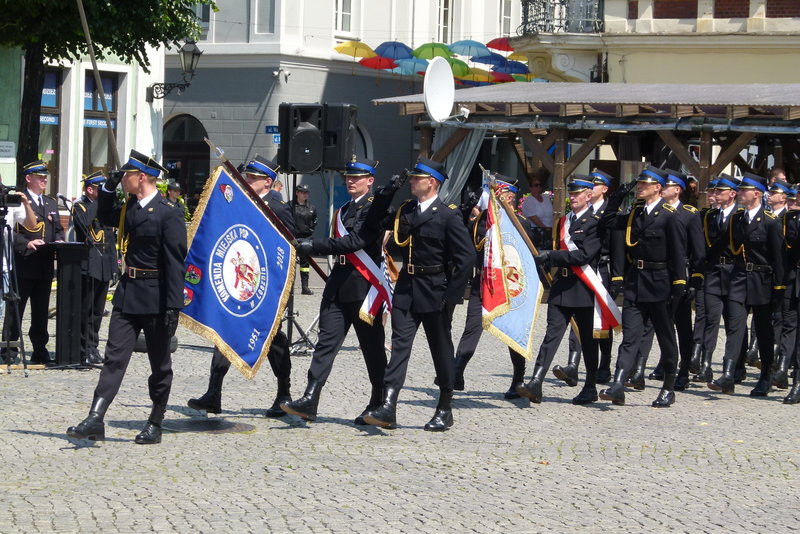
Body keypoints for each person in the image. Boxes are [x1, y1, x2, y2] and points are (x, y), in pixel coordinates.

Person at [67, 149, 186, 444]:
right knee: (114, 358)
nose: (122, 181)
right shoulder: (128, 208)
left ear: (141, 177)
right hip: (128, 294)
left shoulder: (168, 214)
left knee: (159, 365)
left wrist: (174, 306)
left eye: (126, 176)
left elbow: (175, 262)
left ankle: (155, 422)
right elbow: (103, 214)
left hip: (157, 298)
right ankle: (95, 418)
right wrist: (108, 186)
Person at [362, 157, 473, 431]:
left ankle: (445, 407)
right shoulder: (406, 210)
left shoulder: (448, 214)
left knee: (441, 348)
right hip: (407, 287)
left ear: (432, 182)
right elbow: (374, 220)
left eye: (416, 178)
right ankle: (388, 404)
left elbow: (467, 257)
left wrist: (452, 296)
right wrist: (387, 191)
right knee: (400, 346)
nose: (411, 181)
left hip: (435, 289)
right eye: (410, 178)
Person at [187, 156, 297, 418]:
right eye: (246, 177)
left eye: (252, 179)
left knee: (273, 340)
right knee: (224, 330)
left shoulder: (278, 209)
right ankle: (214, 393)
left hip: (266, 289)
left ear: (267, 183)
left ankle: (284, 392)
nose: (246, 181)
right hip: (239, 284)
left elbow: (289, 250)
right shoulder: (243, 203)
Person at [282, 157, 388, 423]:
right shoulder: (343, 210)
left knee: (372, 349)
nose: (350, 181)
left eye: (357, 177)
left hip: (364, 287)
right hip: (338, 284)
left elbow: (356, 241)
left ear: (370, 181)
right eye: (348, 177)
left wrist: (313, 245)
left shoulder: (373, 209)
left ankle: (380, 401)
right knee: (325, 344)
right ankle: (310, 397)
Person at [600, 166, 687, 407]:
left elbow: (679, 254)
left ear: (658, 187)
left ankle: (668, 387)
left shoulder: (670, 216)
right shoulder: (635, 214)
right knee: (630, 336)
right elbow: (608, 222)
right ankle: (618, 384)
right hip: (636, 282)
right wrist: (616, 197)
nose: (639, 187)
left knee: (666, 337)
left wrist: (679, 284)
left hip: (661, 283)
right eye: (638, 184)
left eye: (644, 184)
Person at [517, 175, 605, 405]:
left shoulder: (595, 222)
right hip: (562, 286)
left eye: (578, 194)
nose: (573, 197)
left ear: (588, 196)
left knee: (587, 340)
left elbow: (583, 255)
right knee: (551, 335)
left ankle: (590, 386)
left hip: (583, 288)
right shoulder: (564, 222)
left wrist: (552, 256)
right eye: (571, 194)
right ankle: (536, 381)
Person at [449, 174, 533, 398]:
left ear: (511, 197)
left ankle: (518, 379)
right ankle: (457, 371)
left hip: (511, 285)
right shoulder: (481, 222)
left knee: (512, 333)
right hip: (483, 283)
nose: (496, 197)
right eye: (494, 193)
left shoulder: (520, 225)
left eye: (501, 193)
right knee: (472, 327)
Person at [708, 172, 785, 397]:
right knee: (735, 326)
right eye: (740, 189)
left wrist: (779, 288)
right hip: (739, 278)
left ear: (757, 193)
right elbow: (720, 246)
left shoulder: (771, 222)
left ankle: (765, 377)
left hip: (762, 281)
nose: (740, 193)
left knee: (763, 330)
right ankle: (729, 373)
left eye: (744, 190)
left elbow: (779, 258)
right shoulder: (737, 219)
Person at [627, 170, 705, 391]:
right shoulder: (649, 211)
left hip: (680, 276)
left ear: (676, 189)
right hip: (657, 279)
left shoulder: (688, 214)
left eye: (668, 185)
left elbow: (698, 253)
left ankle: (683, 371)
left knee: (681, 327)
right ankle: (639, 369)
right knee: (651, 326)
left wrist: (694, 281)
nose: (664, 188)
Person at [1, 160, 65, 365]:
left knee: (41, 310)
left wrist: (61, 242)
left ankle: (40, 348)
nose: (44, 179)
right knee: (16, 309)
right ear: (29, 179)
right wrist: (27, 244)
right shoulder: (18, 200)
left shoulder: (50, 202)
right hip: (23, 263)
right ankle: (9, 350)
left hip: (44, 264)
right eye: (40, 177)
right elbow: (9, 232)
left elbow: (57, 229)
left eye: (45, 176)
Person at [72, 171, 118, 365]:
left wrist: (114, 266)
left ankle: (93, 346)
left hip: (104, 264)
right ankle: (83, 348)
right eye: (100, 188)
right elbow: (84, 226)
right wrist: (101, 202)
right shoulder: (80, 207)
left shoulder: (105, 209)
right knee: (86, 309)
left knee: (98, 311)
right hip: (89, 265)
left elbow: (110, 238)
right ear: (90, 189)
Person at [0, 184, 37, 363]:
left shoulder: (8, 204)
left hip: (6, 266)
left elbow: (32, 225)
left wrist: (26, 203)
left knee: (4, 311)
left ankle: (6, 352)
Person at [291, 183, 317, 295]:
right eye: (302, 192)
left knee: (305, 265)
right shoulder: (290, 206)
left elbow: (315, 221)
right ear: (297, 193)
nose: (305, 194)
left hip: (307, 238)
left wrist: (310, 230)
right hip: (293, 238)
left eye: (306, 192)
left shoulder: (312, 207)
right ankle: (290, 288)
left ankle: (304, 287)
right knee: (291, 263)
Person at [521, 176, 554, 251]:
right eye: (536, 185)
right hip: (537, 233)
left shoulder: (546, 198)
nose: (538, 187)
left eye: (540, 185)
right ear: (530, 187)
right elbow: (534, 218)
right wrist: (546, 231)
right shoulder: (529, 201)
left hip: (549, 232)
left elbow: (552, 213)